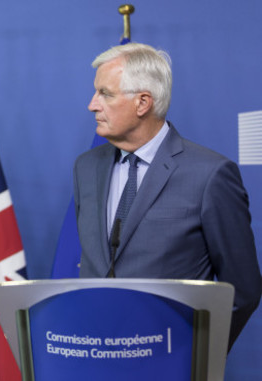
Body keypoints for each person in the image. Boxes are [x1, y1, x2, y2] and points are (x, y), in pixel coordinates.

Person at [74, 43, 262, 349]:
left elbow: (242, 291)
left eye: (105, 93)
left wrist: (195, 356)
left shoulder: (210, 174)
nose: (92, 104)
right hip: (95, 357)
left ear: (143, 102)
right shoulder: (86, 167)